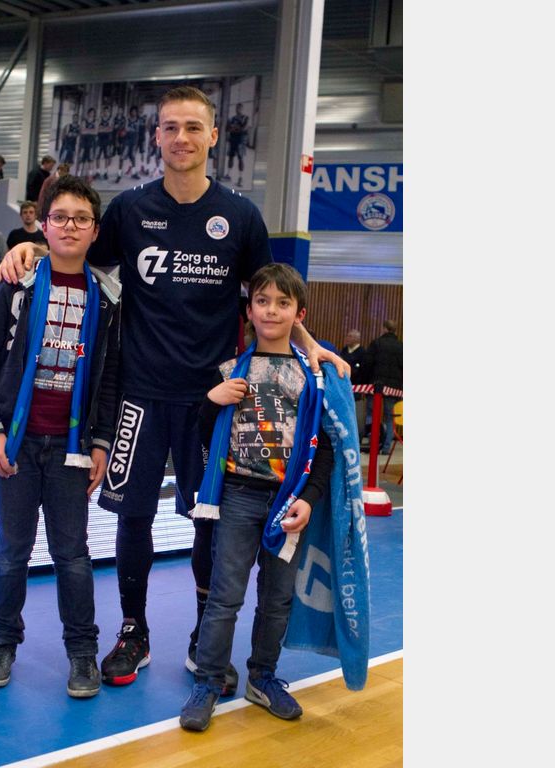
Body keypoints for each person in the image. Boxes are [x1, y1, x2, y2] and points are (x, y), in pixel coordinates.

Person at [0, 86, 347, 693]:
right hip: (138, 393)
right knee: (132, 518)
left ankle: (202, 638)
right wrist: (31, 244)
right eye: (170, 127)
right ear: (155, 136)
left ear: (213, 136)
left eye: (192, 127)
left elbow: (271, 293)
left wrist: (309, 343)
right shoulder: (130, 209)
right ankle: (134, 632)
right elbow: (74, 247)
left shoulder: (241, 216)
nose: (181, 137)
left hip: (214, 402)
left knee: (207, 518)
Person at [0, 175, 122, 699]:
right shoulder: (17, 284)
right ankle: (1, 645)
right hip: (17, 446)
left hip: (71, 453)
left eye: (81, 218)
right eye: (60, 217)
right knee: (10, 553)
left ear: (95, 230)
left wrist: (100, 443)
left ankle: (82, 653)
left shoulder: (109, 299)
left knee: (73, 556)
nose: (69, 226)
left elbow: (110, 380)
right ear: (44, 225)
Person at [179, 263, 334, 732]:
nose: (271, 310)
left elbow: (324, 448)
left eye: (283, 303)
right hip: (238, 497)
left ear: (299, 314)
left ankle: (262, 677)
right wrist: (211, 402)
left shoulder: (314, 376)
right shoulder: (230, 370)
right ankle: (208, 681)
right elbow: (203, 437)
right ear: (249, 310)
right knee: (224, 596)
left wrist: (309, 497)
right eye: (262, 301)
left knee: (277, 599)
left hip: (288, 502)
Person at [365, 320, 403, 453]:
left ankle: (372, 444)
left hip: (375, 385)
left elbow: (368, 363)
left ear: (384, 328)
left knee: (371, 414)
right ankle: (386, 447)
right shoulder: (401, 346)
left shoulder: (376, 343)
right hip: (393, 388)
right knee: (389, 417)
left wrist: (367, 381)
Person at [339, 328, 368, 447]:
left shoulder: (362, 353)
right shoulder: (344, 351)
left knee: (355, 414)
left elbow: (363, 371)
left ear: (357, 339)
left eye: (350, 336)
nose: (347, 338)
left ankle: (356, 438)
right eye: (347, 336)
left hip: (357, 388)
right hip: (343, 386)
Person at [223, 103, 250, 187]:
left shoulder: (245, 118)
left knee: (240, 158)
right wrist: (236, 128)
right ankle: (228, 174)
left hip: (240, 141)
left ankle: (240, 178)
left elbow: (244, 128)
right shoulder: (232, 118)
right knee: (230, 157)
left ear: (242, 109)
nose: (238, 110)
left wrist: (234, 128)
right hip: (233, 140)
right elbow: (227, 128)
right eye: (237, 108)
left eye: (240, 108)